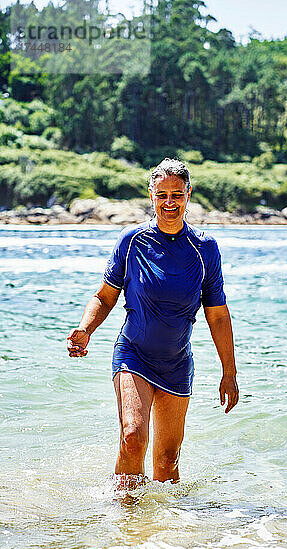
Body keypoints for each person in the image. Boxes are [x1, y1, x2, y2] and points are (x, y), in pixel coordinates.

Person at [67, 158, 239, 485]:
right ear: (151, 195)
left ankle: (168, 530)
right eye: (162, 195)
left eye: (177, 194)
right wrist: (85, 329)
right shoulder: (131, 241)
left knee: (167, 460)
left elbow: (217, 314)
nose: (170, 202)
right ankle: (124, 520)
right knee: (133, 436)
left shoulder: (205, 249)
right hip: (133, 354)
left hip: (176, 363)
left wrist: (229, 372)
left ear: (189, 194)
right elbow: (105, 296)